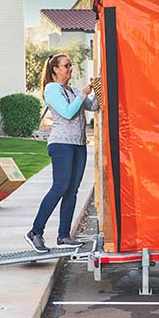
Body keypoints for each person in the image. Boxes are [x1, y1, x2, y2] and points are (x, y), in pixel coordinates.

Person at [25, 54, 99, 253]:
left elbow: (93, 106)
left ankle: (64, 236)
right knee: (60, 187)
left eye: (71, 65)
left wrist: (98, 89)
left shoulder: (73, 89)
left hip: (78, 144)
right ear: (55, 69)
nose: (70, 69)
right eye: (66, 66)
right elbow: (67, 112)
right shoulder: (51, 89)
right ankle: (35, 232)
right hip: (61, 144)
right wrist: (83, 93)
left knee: (72, 190)